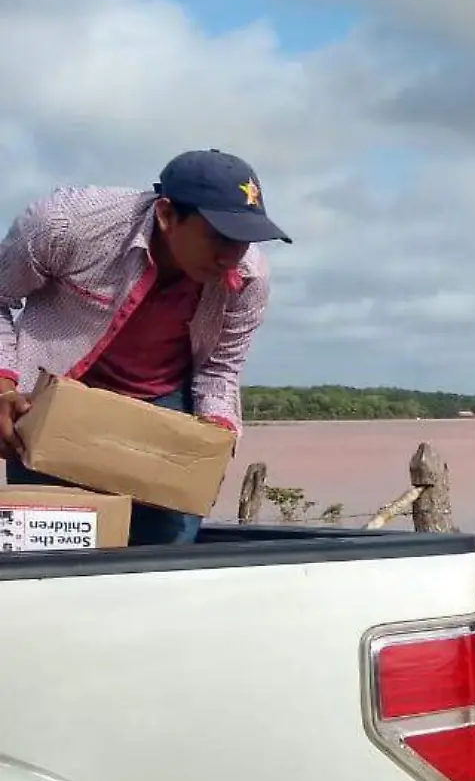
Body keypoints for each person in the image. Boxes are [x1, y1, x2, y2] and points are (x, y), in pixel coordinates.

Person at [0, 150, 290, 544]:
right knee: (48, 550)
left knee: (162, 566)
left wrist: (218, 435)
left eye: (245, 240)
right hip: (55, 400)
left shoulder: (248, 278)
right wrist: (3, 384)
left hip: (161, 410)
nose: (230, 256)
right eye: (220, 236)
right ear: (167, 215)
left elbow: (221, 368)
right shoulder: (65, 224)